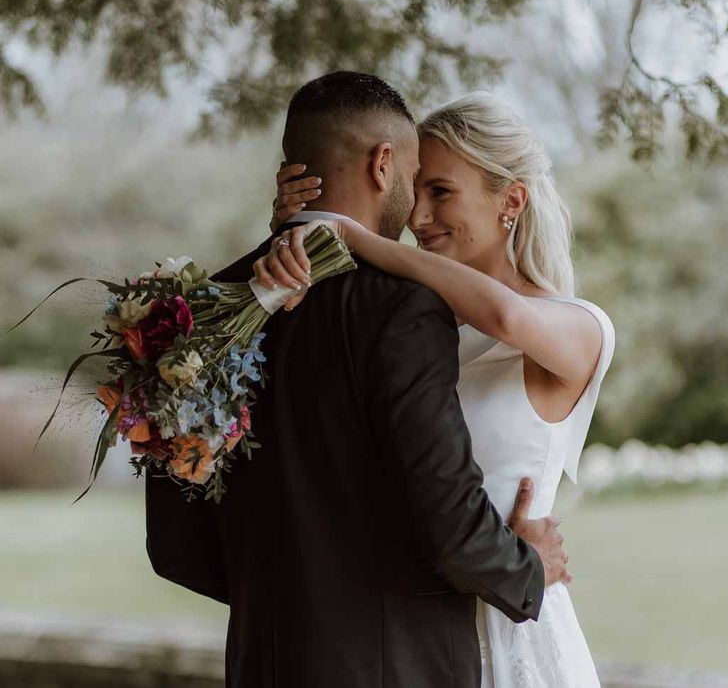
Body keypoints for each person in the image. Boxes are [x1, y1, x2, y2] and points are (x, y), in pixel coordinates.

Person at [145, 72, 569, 688]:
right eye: (415, 176)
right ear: (383, 163)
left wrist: (286, 602)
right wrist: (529, 567)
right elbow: (449, 522)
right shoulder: (401, 308)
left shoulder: (202, 312)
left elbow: (176, 548)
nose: (418, 210)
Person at [261, 90, 615, 687]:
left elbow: (505, 319)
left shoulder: (579, 327)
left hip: (512, 622)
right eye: (415, 188)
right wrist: (296, 244)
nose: (418, 217)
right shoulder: (411, 329)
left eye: (441, 192)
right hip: (402, 633)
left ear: (512, 200)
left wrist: (354, 238)